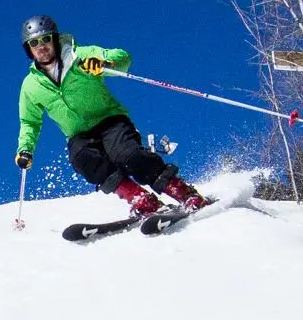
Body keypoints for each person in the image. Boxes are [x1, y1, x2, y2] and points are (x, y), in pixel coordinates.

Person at [14, 15, 211, 216]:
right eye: (34, 42)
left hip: (110, 121)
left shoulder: (79, 55)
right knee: (82, 159)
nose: (41, 46)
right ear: (28, 48)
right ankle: (140, 199)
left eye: (46, 39)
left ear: (54, 39)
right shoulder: (31, 86)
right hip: (80, 135)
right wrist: (25, 149)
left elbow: (123, 58)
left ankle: (182, 192)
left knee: (128, 155)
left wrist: (103, 63)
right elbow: (29, 121)